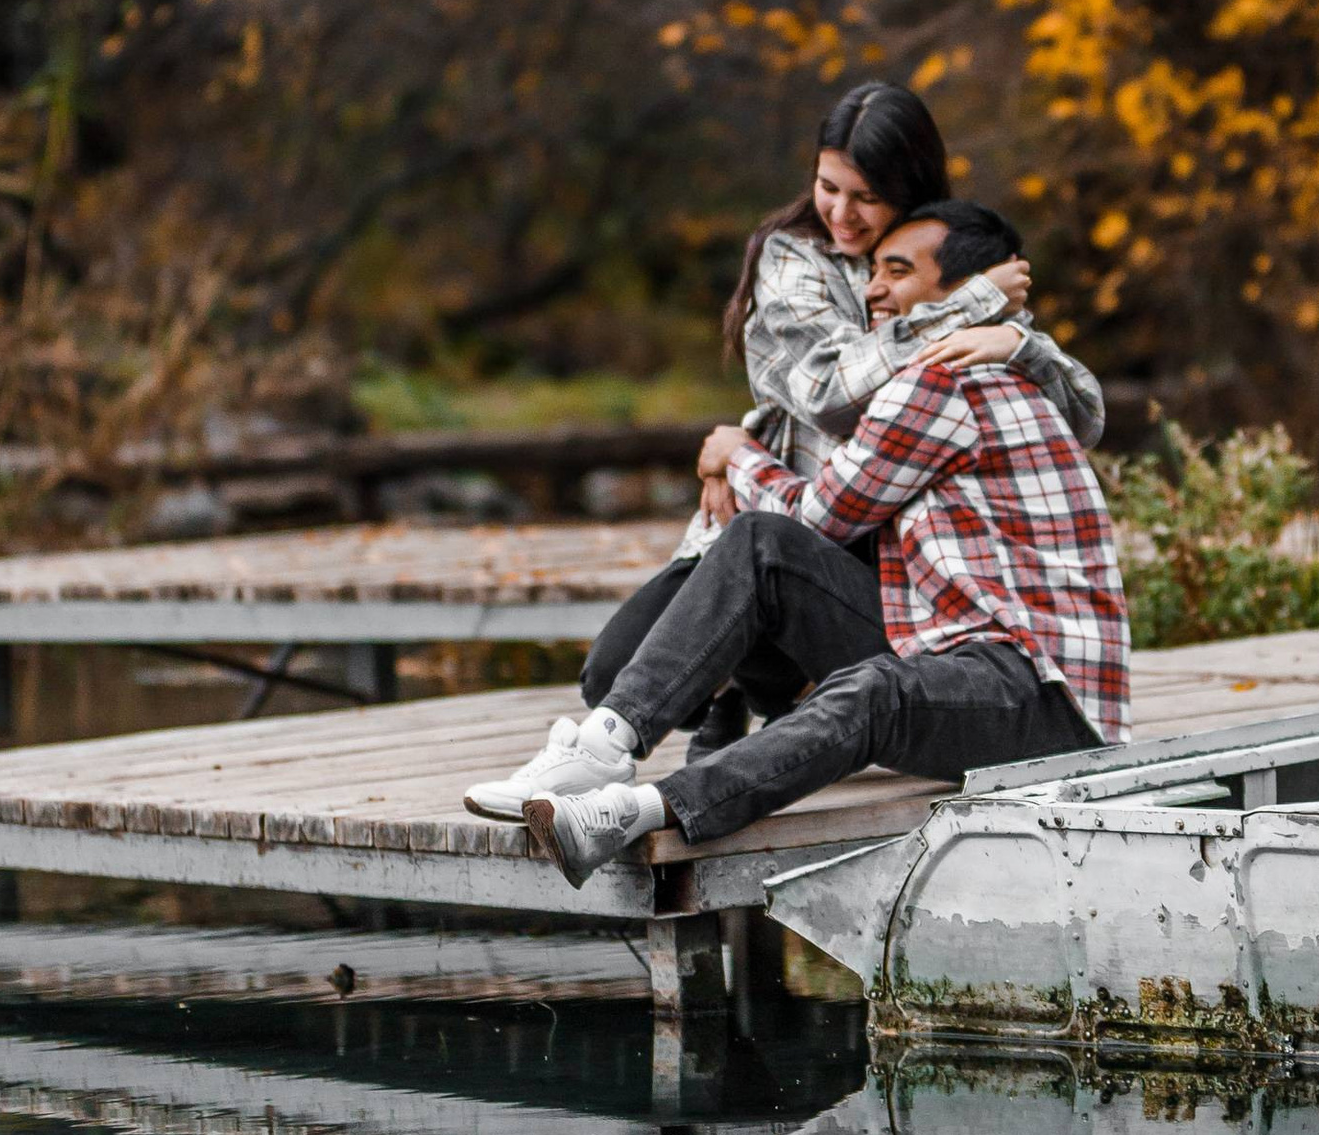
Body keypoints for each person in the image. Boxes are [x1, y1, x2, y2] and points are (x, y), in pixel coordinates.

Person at [464, 83, 1104, 820]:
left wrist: (1017, 338)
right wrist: (966, 309)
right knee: (615, 668)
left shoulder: (941, 256)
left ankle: (760, 713)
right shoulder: (804, 260)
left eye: (865, 195)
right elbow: (832, 391)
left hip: (880, 551)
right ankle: (714, 711)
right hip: (789, 520)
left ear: (911, 192)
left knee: (797, 633)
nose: (841, 212)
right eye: (827, 186)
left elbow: (1077, 416)